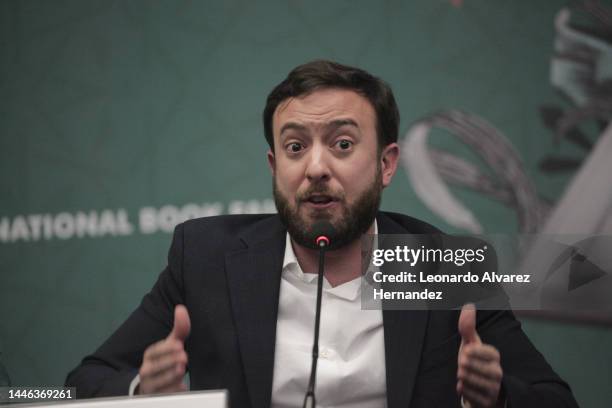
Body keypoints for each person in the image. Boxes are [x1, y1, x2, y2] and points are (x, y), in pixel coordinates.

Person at [66, 60, 578, 408]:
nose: (315, 167)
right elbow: (77, 387)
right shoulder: (205, 259)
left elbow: (556, 400)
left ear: (386, 164)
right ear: (273, 166)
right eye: (294, 147)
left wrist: (498, 396)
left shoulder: (441, 267)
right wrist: (139, 390)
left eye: (342, 143)